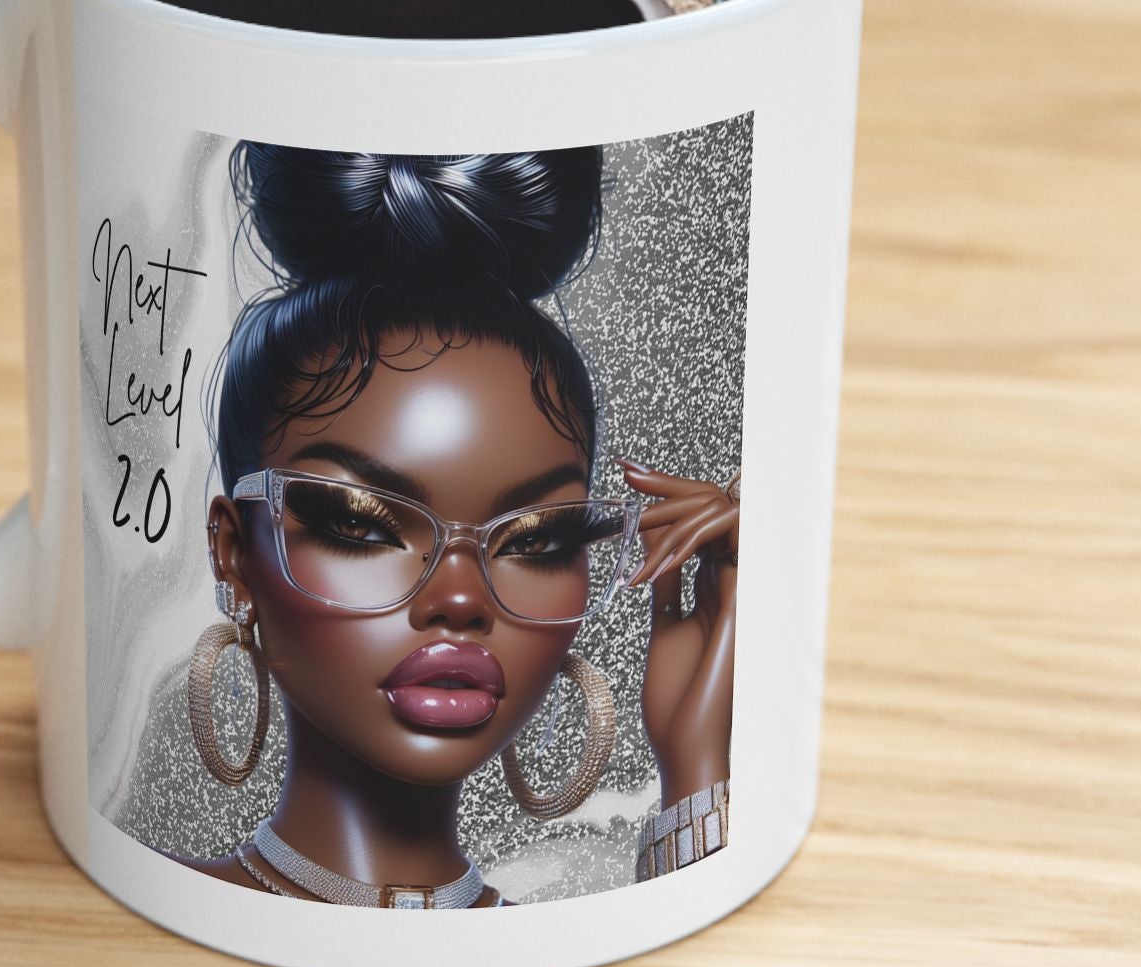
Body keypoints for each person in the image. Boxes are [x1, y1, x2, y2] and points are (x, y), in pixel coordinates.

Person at [178, 143, 737, 908]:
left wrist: (696, 761)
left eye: (537, 540)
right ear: (235, 556)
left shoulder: (555, 954)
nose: (462, 597)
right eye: (363, 526)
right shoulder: (151, 912)